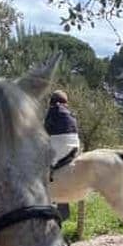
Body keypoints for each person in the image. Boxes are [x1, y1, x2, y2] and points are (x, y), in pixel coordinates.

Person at [44, 90, 80, 221]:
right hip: (74, 147)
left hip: (59, 146)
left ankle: (51, 200)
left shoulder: (52, 111)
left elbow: (45, 130)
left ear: (51, 101)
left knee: (42, 170)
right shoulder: (70, 112)